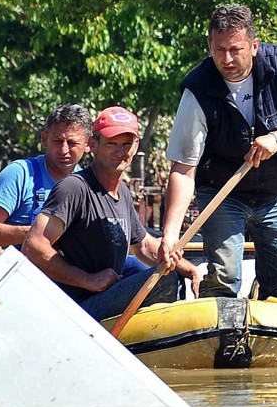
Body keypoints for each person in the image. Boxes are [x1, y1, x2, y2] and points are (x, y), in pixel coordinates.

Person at [160, 4, 277, 300]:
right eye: (219, 49)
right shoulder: (197, 90)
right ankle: (218, 333)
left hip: (276, 190)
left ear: (254, 46)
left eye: (235, 49)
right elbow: (184, 170)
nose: (227, 59)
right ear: (210, 46)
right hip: (221, 192)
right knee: (224, 275)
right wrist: (171, 234)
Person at [23, 106, 202, 319]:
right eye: (111, 144)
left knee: (173, 275)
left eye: (126, 144)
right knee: (165, 281)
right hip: (74, 310)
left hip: (104, 297)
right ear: (93, 144)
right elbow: (33, 246)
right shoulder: (74, 188)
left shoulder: (122, 193)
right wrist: (87, 279)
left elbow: (144, 245)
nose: (120, 151)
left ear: (136, 146)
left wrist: (190, 269)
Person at [0, 104, 93, 247]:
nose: (64, 150)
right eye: (57, 141)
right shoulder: (19, 173)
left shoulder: (87, 184)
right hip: (16, 267)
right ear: (44, 139)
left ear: (88, 144)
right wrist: (40, 233)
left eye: (72, 143)